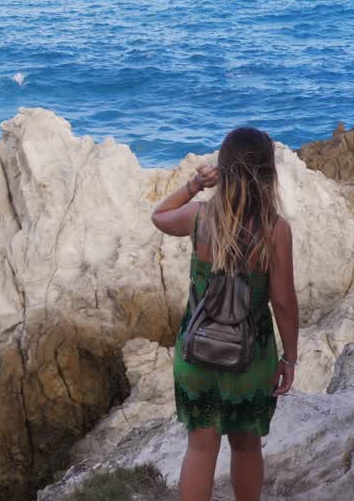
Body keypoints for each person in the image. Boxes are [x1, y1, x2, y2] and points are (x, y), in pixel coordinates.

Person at [150, 126, 300, 501]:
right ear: (268, 173)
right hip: (250, 358)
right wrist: (290, 358)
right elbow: (283, 301)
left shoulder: (200, 218)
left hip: (196, 351)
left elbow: (159, 215)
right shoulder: (275, 229)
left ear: (223, 168)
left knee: (200, 449)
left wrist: (195, 184)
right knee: (247, 448)